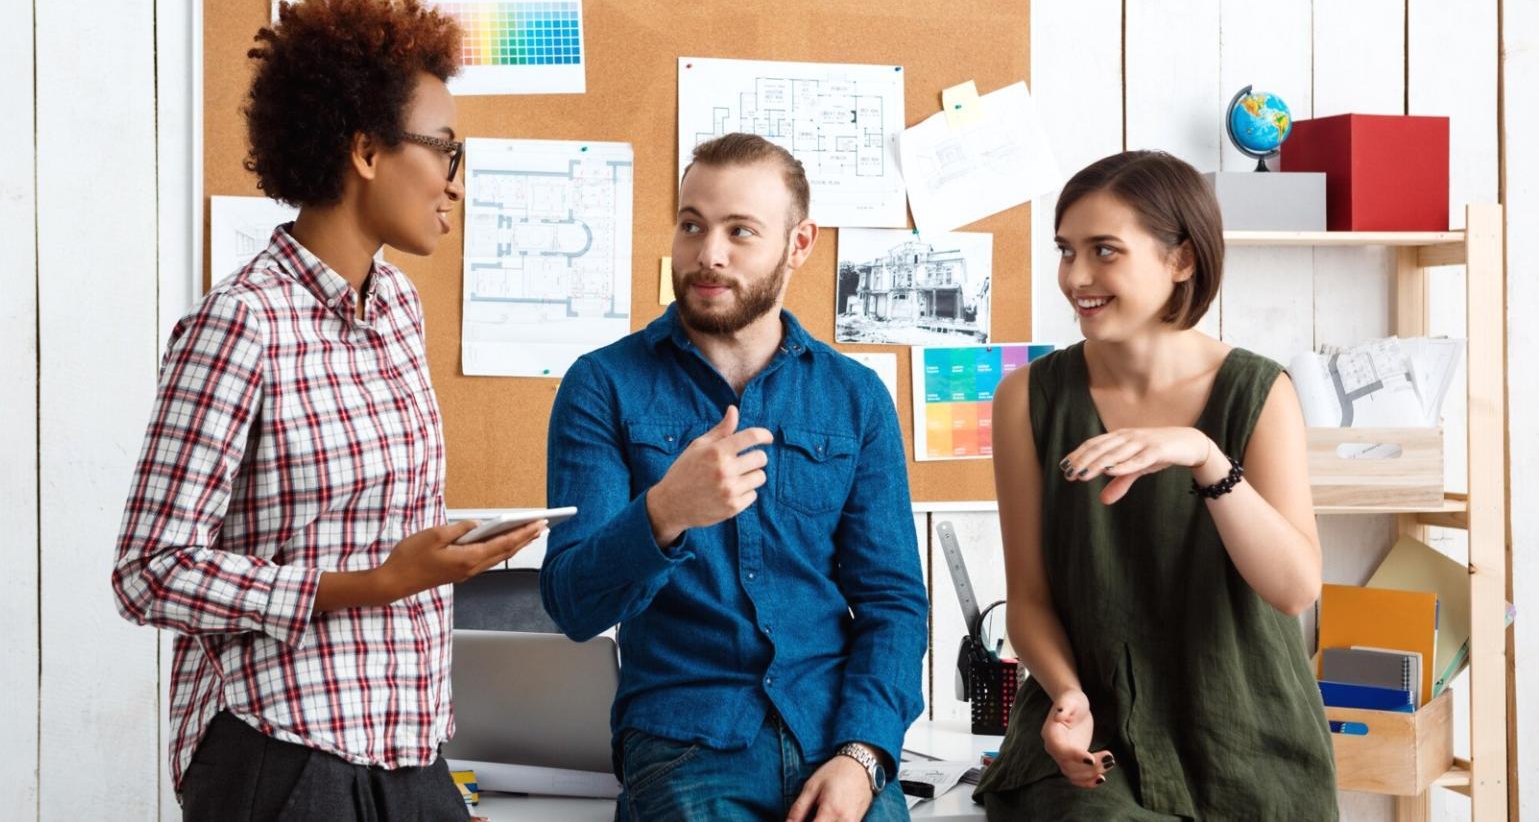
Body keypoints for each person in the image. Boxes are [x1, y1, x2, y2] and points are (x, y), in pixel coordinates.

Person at [111, 0, 545, 820]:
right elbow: (149, 570)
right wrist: (369, 583)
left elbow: (373, 524)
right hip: (281, 749)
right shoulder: (241, 323)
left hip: (408, 746)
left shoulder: (399, 310)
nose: (456, 180)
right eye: (446, 149)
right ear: (367, 152)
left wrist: (438, 554)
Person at [540, 133, 928, 822]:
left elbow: (892, 601)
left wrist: (863, 754)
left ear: (798, 243)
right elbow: (573, 604)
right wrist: (663, 512)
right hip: (686, 741)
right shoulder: (602, 385)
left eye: (739, 231)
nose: (707, 253)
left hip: (834, 737)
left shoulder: (855, 396)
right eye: (692, 224)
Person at [974, 150, 1337, 820]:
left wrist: (1204, 457)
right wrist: (1065, 694)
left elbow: (1292, 588)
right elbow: (1026, 600)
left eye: (1103, 250)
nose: (1075, 276)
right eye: (1065, 250)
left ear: (1182, 259)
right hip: (1093, 739)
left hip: (1247, 739)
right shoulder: (1027, 398)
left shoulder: (1258, 392)